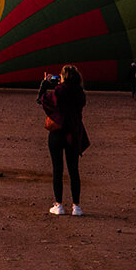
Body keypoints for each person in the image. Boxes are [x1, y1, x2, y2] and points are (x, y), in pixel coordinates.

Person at [39, 65, 90, 215]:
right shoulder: (80, 92)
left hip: (58, 133)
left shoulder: (59, 91)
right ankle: (76, 207)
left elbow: (43, 100)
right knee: (74, 170)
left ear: (63, 77)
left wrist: (44, 85)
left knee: (57, 169)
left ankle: (59, 205)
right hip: (73, 133)